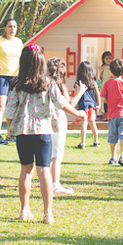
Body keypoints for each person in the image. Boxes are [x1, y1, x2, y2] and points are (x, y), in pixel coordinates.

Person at [3, 44, 84, 224]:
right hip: (44, 132)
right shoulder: (49, 83)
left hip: (23, 132)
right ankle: (48, 214)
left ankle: (24, 211)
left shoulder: (16, 84)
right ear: (41, 62)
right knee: (44, 171)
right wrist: (78, 113)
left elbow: (9, 111)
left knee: (26, 170)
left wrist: (11, 130)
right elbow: (62, 103)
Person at [46, 57, 83, 195]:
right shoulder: (59, 86)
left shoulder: (44, 84)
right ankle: (55, 184)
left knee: (48, 153)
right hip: (58, 123)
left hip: (46, 122)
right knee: (57, 154)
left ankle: (46, 178)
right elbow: (69, 104)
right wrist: (80, 92)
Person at [0, 18, 23, 144]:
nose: (12, 29)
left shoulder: (19, 42)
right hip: (1, 76)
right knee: (0, 105)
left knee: (14, 105)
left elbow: (21, 60)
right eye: (10, 26)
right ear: (5, 28)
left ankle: (11, 134)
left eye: (14, 26)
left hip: (15, 77)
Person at [100, 57, 123, 166]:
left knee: (113, 136)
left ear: (110, 71)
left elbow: (103, 98)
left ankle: (113, 157)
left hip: (112, 114)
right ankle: (122, 156)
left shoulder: (107, 83)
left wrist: (110, 102)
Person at [73, 60, 100, 149]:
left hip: (83, 105)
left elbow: (76, 94)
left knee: (84, 124)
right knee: (93, 123)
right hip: (92, 105)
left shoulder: (78, 83)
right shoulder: (93, 82)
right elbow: (97, 94)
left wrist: (74, 105)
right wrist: (98, 104)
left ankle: (82, 143)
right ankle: (96, 141)